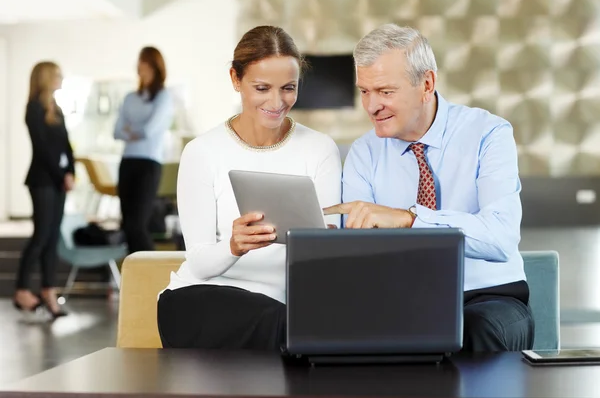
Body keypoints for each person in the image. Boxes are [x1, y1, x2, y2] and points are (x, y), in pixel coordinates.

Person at [324, 24, 534, 352]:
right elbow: (359, 251)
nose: (371, 106)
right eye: (364, 91)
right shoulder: (363, 152)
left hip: (488, 298)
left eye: (385, 91)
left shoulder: (488, 133)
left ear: (427, 83)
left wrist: (411, 220)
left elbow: (501, 238)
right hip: (401, 300)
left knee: (473, 333)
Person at [157, 26, 341, 350]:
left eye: (288, 88)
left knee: (293, 324)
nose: (276, 101)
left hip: (281, 311)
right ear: (235, 79)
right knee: (294, 329)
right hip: (201, 300)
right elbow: (199, 263)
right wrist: (233, 245)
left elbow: (326, 257)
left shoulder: (320, 149)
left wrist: (323, 244)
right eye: (261, 88)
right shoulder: (202, 152)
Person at [15, 61, 75, 318]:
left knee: (52, 238)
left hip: (59, 181)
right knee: (41, 235)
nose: (61, 78)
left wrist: (71, 171)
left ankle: (49, 292)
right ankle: (21, 289)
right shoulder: (33, 109)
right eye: (57, 75)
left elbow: (66, 145)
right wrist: (62, 174)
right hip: (42, 180)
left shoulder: (57, 108)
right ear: (45, 78)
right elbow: (43, 149)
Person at [114, 46, 174, 254]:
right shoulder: (130, 98)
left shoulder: (163, 97)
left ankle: (154, 276)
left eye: (146, 62)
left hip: (148, 164)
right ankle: (134, 279)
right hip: (127, 162)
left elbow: (149, 130)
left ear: (155, 67)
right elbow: (116, 131)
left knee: (138, 224)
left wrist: (130, 129)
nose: (141, 66)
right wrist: (132, 131)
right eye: (140, 61)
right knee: (128, 225)